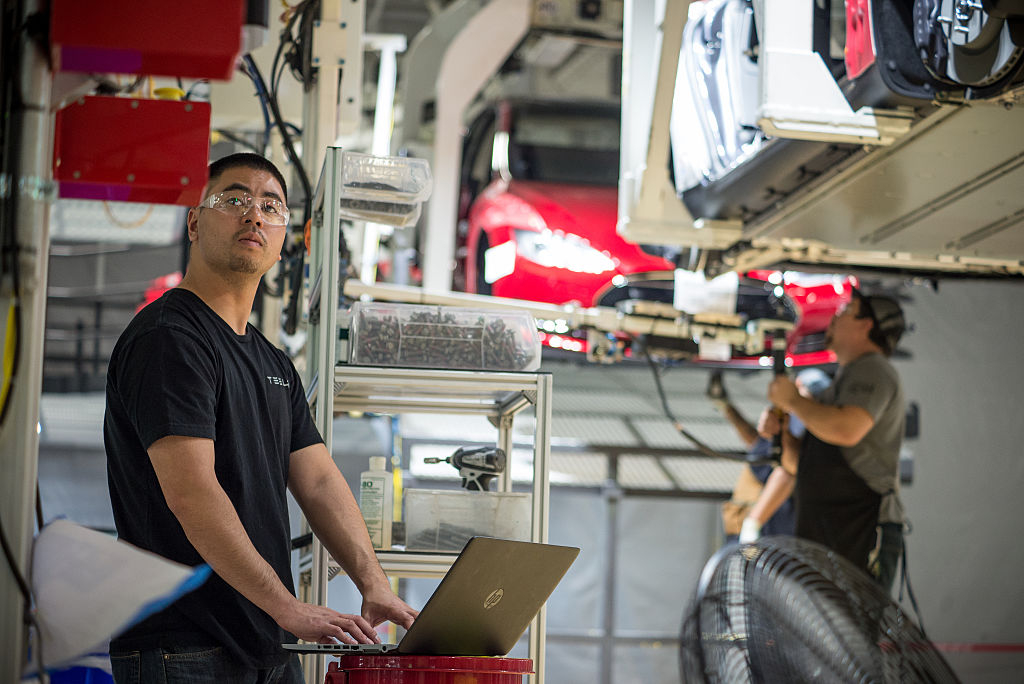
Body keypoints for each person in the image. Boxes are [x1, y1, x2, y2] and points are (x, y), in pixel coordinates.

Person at [104, 153, 417, 683]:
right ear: (195, 221)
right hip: (184, 647)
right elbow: (192, 493)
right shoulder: (169, 337)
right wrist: (289, 608)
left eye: (271, 205)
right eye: (235, 199)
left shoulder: (272, 362)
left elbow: (317, 480)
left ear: (282, 236)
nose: (254, 214)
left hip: (266, 644)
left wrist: (374, 583)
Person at [767, 288, 907, 585]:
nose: (835, 317)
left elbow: (846, 429)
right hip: (835, 528)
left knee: (851, 627)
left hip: (862, 527)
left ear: (866, 325)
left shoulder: (874, 370)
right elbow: (799, 466)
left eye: (845, 311)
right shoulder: (845, 378)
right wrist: (781, 434)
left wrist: (793, 401)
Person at [709, 368, 831, 543]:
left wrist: (752, 523)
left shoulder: (810, 427)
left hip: (765, 530)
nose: (810, 403)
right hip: (758, 525)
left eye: (816, 399)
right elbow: (763, 450)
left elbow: (786, 473)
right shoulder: (791, 417)